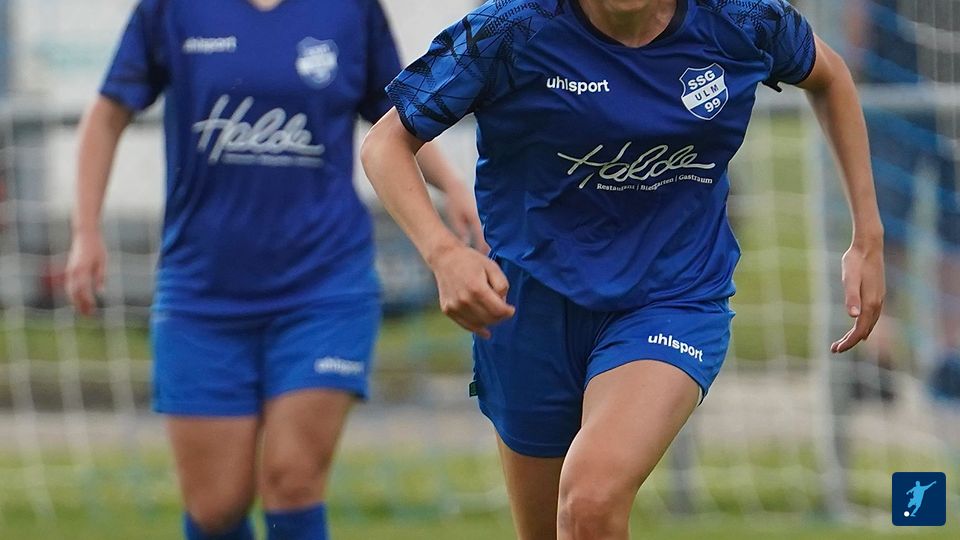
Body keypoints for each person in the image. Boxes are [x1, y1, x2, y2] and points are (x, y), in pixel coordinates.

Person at [361, 0, 885, 538]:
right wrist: (443, 253)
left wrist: (868, 237)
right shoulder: (510, 29)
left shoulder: (742, 18)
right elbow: (384, 143)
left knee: (589, 500)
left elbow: (831, 77)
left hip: (673, 299)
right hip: (529, 307)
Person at [64, 1, 480, 539]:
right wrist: (86, 230)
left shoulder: (352, 10)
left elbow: (398, 114)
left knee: (291, 480)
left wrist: (451, 186)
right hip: (201, 293)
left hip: (324, 287)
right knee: (215, 509)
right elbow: (107, 112)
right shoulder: (171, 9)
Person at [845, 0, 959, 403]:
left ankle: (944, 354)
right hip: (896, 60)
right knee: (886, 218)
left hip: (931, 56)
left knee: (945, 219)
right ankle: (880, 348)